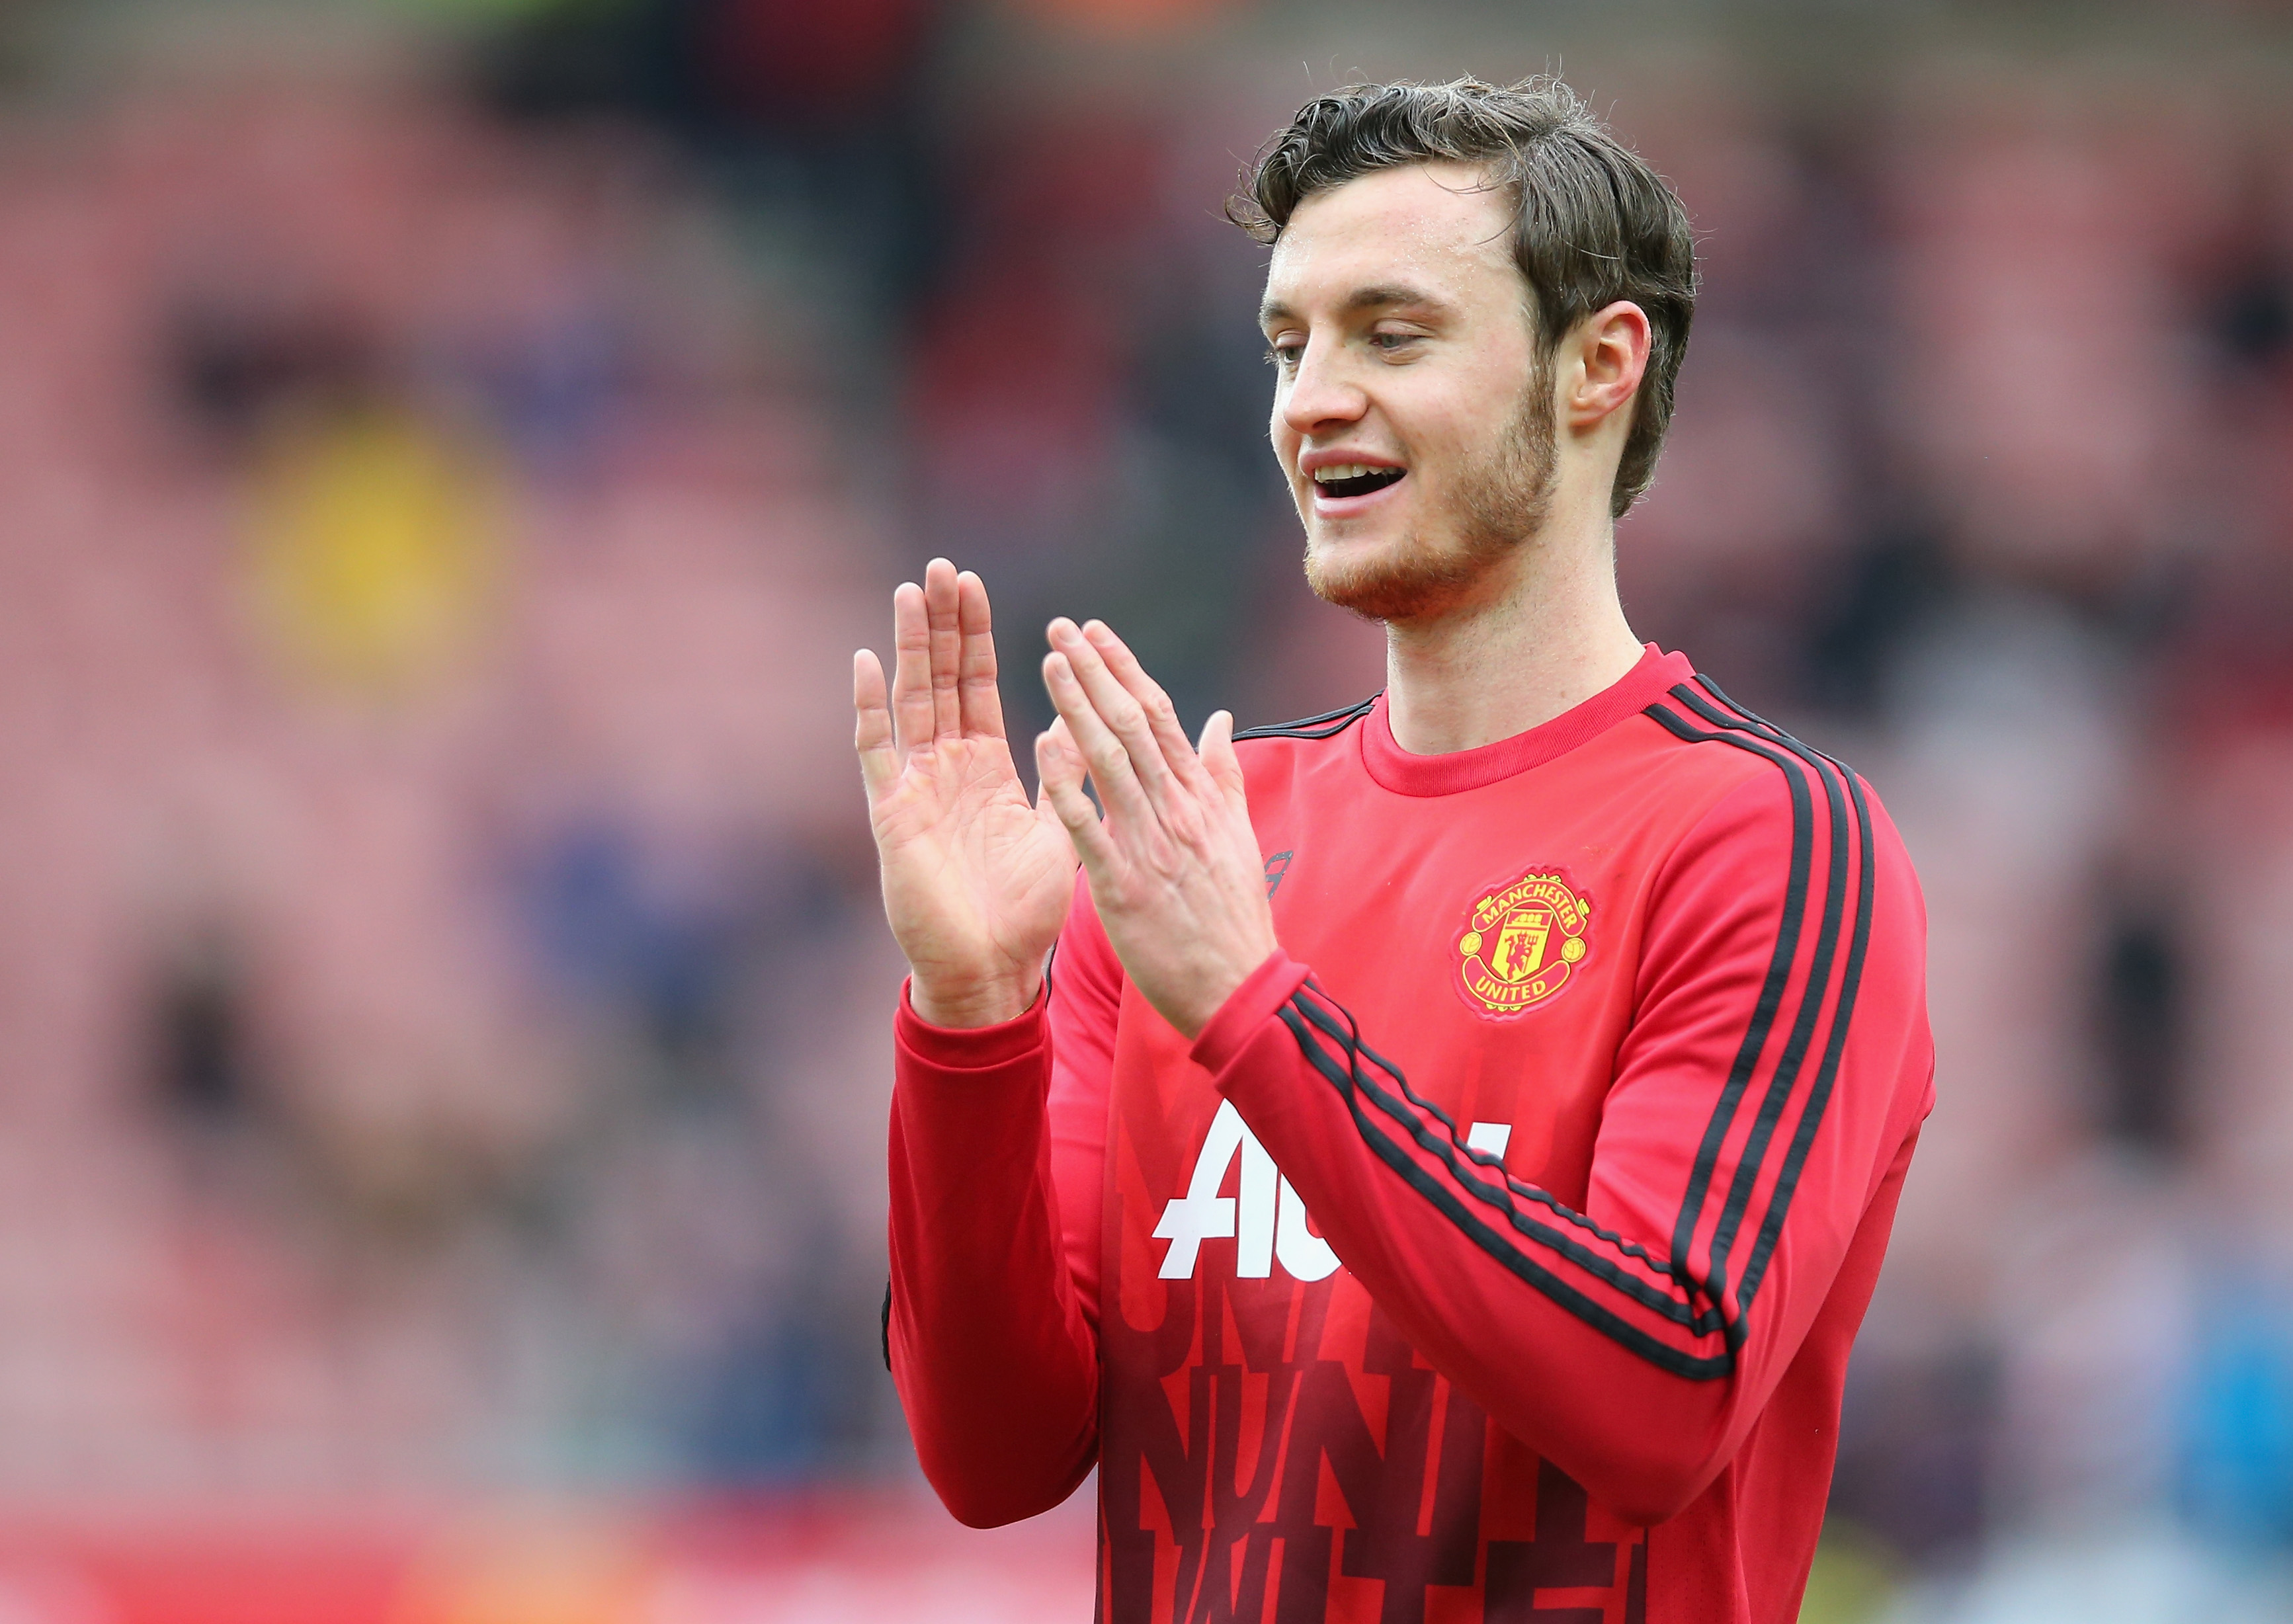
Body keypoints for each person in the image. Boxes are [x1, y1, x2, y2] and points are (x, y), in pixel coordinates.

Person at [855, 76, 1933, 1624]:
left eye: (1392, 333)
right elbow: (999, 1457)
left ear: (1597, 366)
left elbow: (1663, 1388)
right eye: (1289, 344)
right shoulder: (1202, 845)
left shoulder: (1764, 840)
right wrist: (970, 1023)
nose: (1310, 399)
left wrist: (1251, 1008)